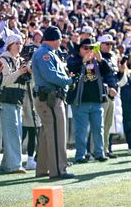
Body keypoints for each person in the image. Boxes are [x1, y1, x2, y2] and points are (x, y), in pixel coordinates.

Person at [32, 26, 75, 179]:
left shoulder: (46, 53)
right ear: (55, 39)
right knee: (57, 134)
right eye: (59, 39)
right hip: (50, 98)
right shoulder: (45, 54)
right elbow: (51, 75)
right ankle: (58, 170)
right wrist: (69, 80)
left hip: (47, 98)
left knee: (46, 135)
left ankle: (42, 169)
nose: (60, 42)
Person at [67, 38, 110, 163]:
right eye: (86, 48)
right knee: (81, 131)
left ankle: (99, 153)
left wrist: (100, 59)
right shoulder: (74, 60)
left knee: (98, 129)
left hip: (96, 102)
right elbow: (70, 70)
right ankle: (80, 155)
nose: (89, 50)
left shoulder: (97, 62)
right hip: (80, 102)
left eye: (91, 48)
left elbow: (109, 72)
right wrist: (82, 62)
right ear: (79, 49)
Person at [0, 34, 29, 173]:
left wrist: (28, 72)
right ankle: (15, 165)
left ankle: (6, 164)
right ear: (9, 44)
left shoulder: (19, 60)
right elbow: (3, 81)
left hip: (18, 99)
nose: (19, 45)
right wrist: (19, 72)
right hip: (6, 98)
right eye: (16, 43)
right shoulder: (3, 60)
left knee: (16, 133)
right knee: (12, 134)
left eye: (21, 43)